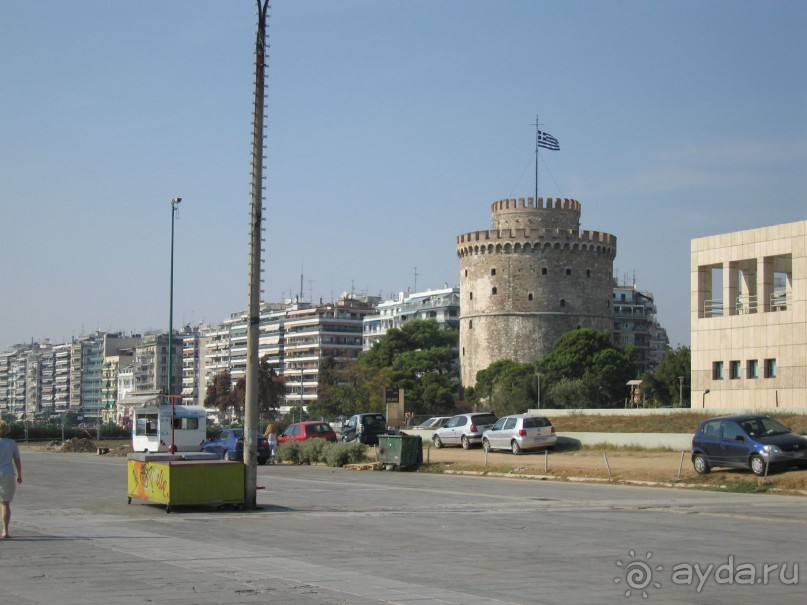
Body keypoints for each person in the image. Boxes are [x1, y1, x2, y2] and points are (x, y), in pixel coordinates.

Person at [0, 420, 22, 539]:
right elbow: (17, 460)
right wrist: (19, 474)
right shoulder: (12, 443)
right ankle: (5, 531)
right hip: (8, 473)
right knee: (5, 503)